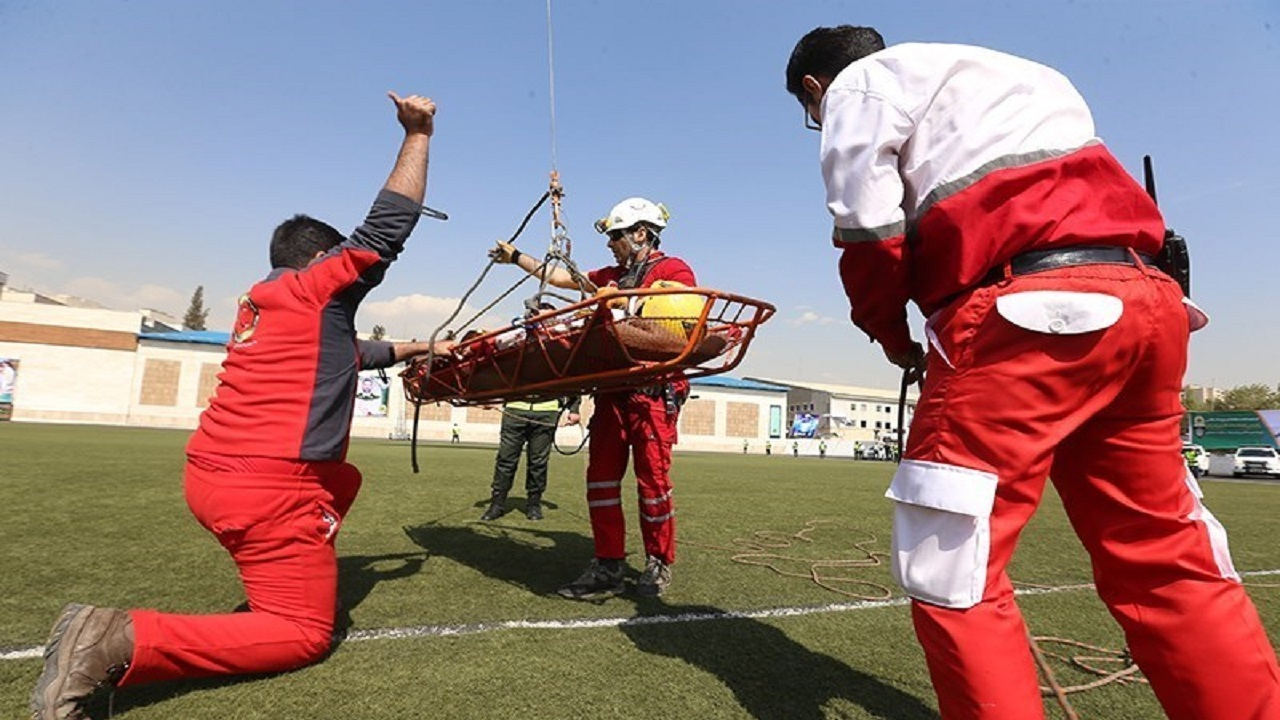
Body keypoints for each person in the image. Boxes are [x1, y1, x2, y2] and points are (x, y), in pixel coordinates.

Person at [786, 25, 1279, 719]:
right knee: (1167, 554)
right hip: (1147, 302)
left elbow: (869, 234)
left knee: (952, 566)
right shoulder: (1025, 73)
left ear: (814, 89)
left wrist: (891, 336)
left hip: (1025, 315)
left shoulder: (859, 87)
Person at [30, 92, 450, 720]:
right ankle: (111, 638)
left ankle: (292, 568)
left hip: (214, 474)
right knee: (304, 633)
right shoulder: (319, 287)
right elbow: (387, 228)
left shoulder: (266, 305)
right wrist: (418, 134)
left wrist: (422, 346)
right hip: (269, 486)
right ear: (318, 260)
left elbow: (350, 356)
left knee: (342, 481)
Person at [491, 196, 694, 599]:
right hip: (613, 394)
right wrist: (518, 258)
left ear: (641, 234)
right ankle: (608, 564)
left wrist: (621, 302)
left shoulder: (673, 270)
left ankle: (658, 562)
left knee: (653, 482)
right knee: (600, 481)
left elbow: (678, 318)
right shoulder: (612, 275)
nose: (610, 244)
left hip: (652, 394)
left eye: (616, 235)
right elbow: (563, 278)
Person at [481, 394, 581, 521]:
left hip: (547, 412)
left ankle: (534, 505)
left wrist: (574, 409)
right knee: (505, 460)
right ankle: (497, 505)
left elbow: (570, 379)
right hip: (515, 410)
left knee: (538, 463)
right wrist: (490, 396)